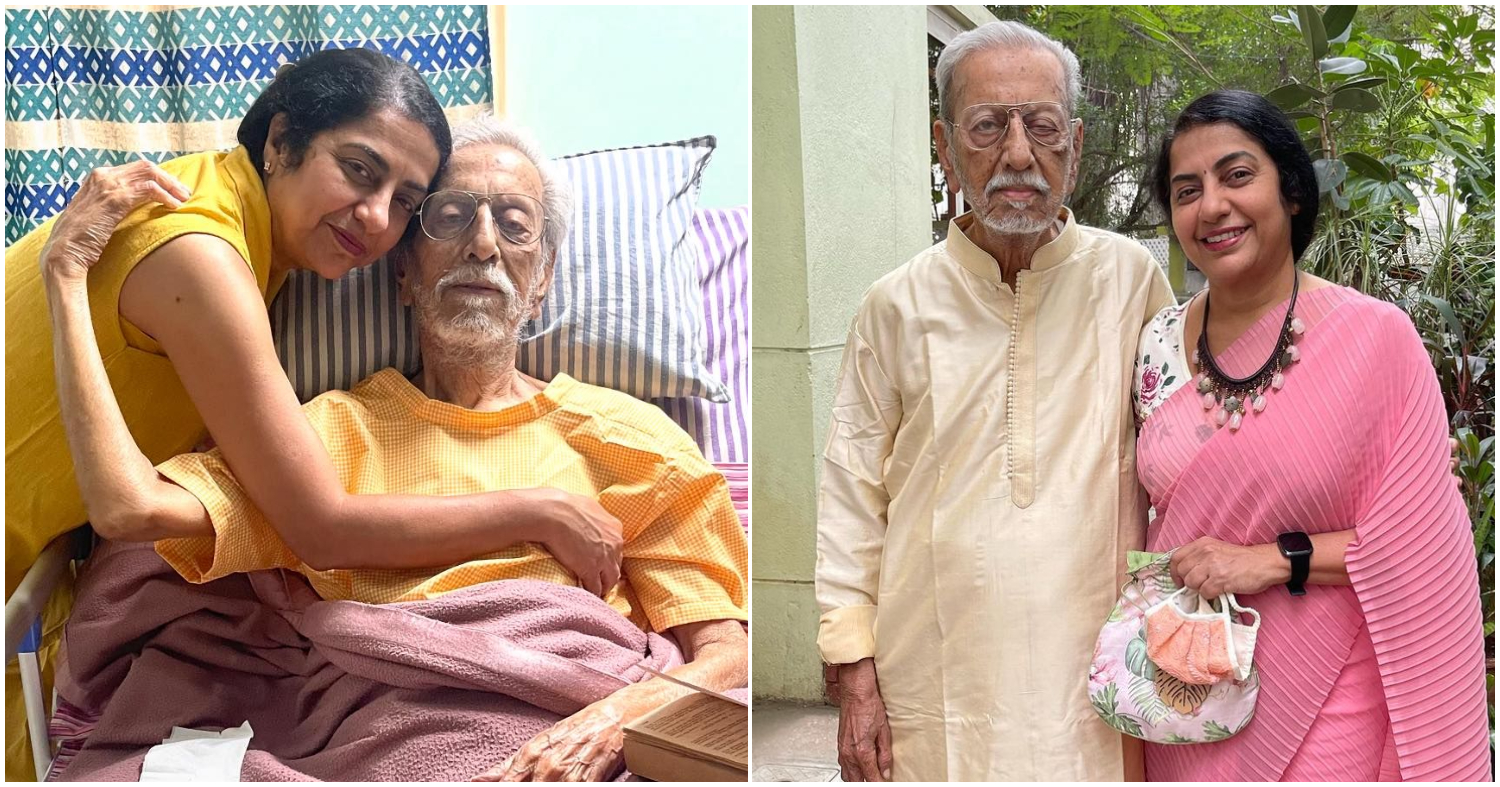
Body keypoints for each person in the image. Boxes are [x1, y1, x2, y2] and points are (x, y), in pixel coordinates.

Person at [42, 114, 749, 782]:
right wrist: (67, 277)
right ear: (404, 272)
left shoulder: (634, 440)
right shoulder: (324, 432)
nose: (482, 244)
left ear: (543, 284)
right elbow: (133, 508)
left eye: (515, 224)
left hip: (577, 727)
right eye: (450, 217)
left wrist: (609, 723)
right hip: (379, 735)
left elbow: (726, 654)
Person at [10, 47, 624, 600]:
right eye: (359, 169)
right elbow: (321, 530)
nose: (377, 217)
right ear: (279, 141)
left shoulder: (252, 230)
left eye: (406, 201)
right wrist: (543, 512)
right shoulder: (201, 256)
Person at [814, 21, 1174, 781]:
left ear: (1073, 143)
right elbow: (851, 494)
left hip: (1094, 678)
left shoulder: (1131, 280)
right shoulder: (897, 304)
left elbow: (1193, 445)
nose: (1018, 154)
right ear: (945, 147)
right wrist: (852, 670)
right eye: (987, 126)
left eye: (1041, 126)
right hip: (934, 683)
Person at [1135, 90, 1489, 781]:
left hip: (1329, 697)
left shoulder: (1373, 338)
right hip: (1183, 689)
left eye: (1237, 175)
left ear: (1292, 192)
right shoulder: (1154, 343)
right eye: (1187, 190)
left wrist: (1269, 559)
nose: (1211, 206)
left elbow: (1420, 538)